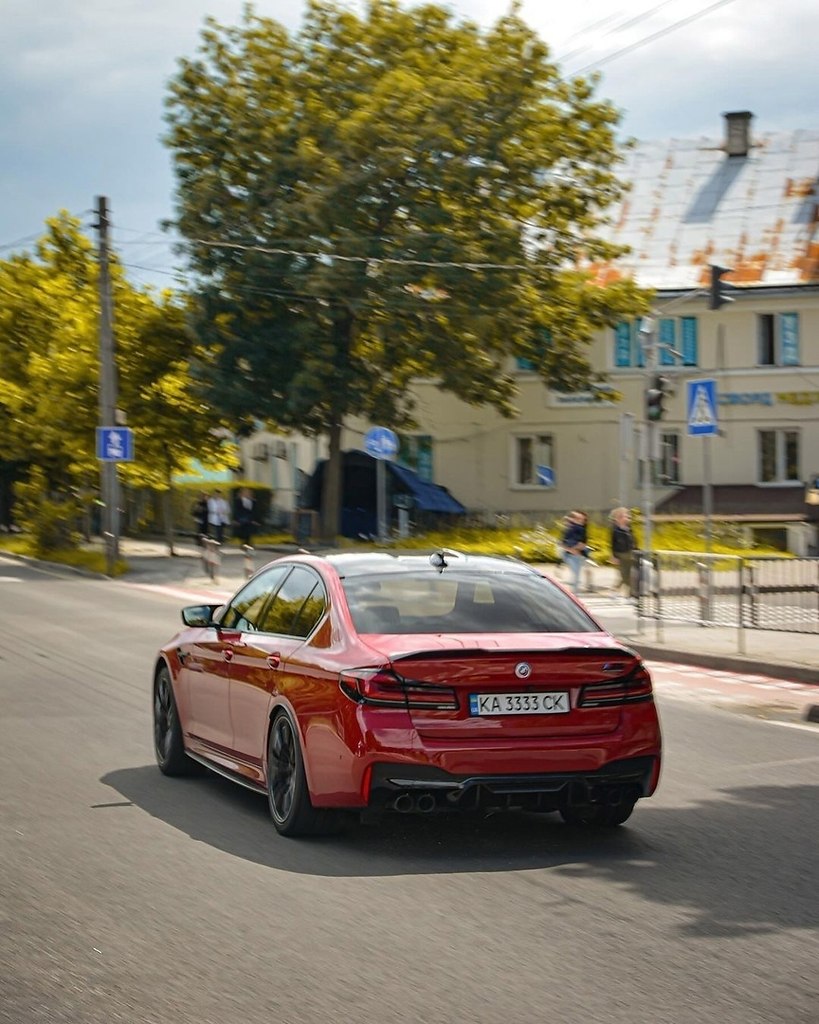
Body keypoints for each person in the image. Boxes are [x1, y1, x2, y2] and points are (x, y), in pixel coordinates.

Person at [610, 506, 636, 599]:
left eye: (628, 516)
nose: (627, 518)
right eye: (625, 516)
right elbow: (613, 543)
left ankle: (614, 591)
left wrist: (636, 550)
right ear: (618, 518)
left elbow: (633, 540)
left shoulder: (629, 528)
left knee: (625, 575)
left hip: (630, 554)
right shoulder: (616, 530)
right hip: (620, 554)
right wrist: (613, 556)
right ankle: (629, 595)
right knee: (625, 576)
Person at [560, 510, 588, 593]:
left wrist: (579, 548)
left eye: (582, 519)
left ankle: (574, 593)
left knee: (576, 575)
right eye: (578, 519)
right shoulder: (569, 529)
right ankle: (572, 593)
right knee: (575, 574)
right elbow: (562, 543)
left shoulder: (582, 530)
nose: (581, 521)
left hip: (578, 555)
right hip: (569, 555)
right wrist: (571, 549)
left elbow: (583, 543)